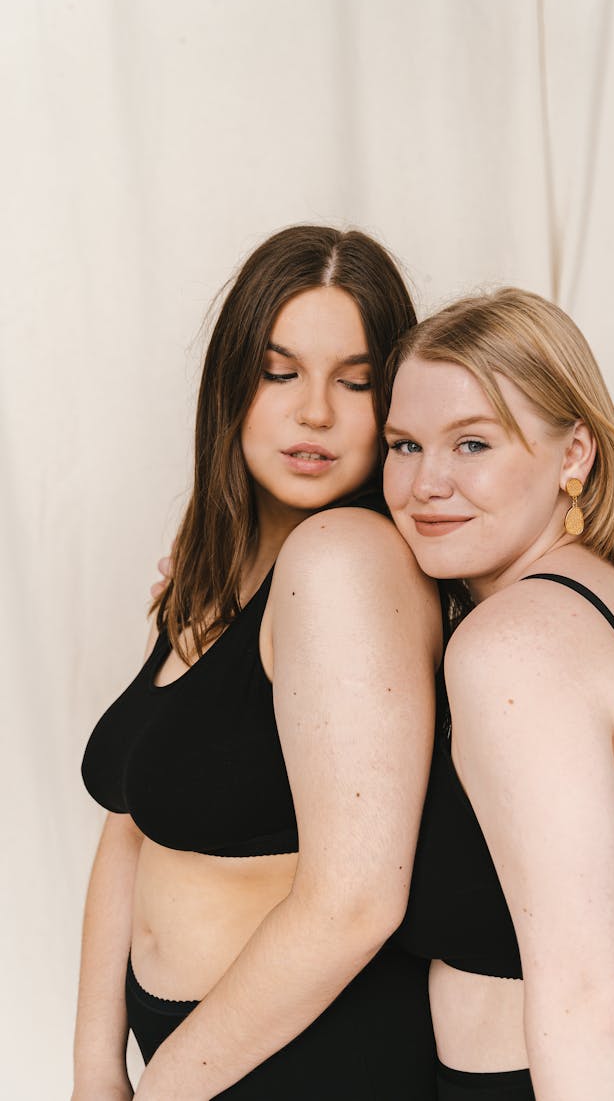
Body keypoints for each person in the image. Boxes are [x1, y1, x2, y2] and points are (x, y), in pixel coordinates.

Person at [74, 225, 445, 1100]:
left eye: (355, 383)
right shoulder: (220, 564)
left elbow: (356, 902)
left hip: (305, 1065)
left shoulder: (345, 562)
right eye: (279, 373)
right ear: (230, 385)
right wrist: (96, 1071)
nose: (313, 411)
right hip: (199, 1070)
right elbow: (131, 816)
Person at [383, 287, 614, 1100]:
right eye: (404, 445)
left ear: (574, 453)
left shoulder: (513, 648)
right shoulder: (593, 592)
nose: (426, 483)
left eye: (472, 443)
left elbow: (590, 1000)